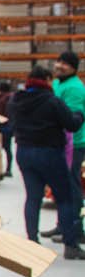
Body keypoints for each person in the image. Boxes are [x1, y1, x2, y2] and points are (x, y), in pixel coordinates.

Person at [10, 65, 85, 256]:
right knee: (65, 197)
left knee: (33, 197)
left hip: (24, 153)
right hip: (49, 153)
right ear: (47, 80)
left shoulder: (16, 100)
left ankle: (32, 241)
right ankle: (71, 245)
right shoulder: (52, 101)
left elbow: (12, 124)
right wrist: (80, 114)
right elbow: (72, 125)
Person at [46, 50, 85, 242]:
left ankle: (75, 229)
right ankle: (62, 225)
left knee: (72, 185)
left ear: (73, 68)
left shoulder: (75, 88)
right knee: (61, 185)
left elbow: (73, 118)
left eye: (65, 63)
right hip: (59, 143)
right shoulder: (56, 84)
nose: (59, 65)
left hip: (75, 144)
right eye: (58, 61)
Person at [0, 78, 14, 178]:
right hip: (9, 126)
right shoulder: (11, 97)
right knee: (7, 148)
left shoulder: (2, 99)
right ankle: (8, 169)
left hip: (2, 127)